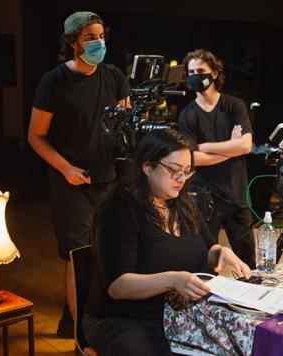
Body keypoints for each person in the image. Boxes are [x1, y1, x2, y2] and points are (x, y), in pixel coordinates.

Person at [83, 129, 251, 356]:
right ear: (147, 167)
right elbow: (117, 286)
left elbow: (206, 248)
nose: (181, 179)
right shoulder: (120, 210)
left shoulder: (182, 203)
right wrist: (172, 280)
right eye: (174, 171)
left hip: (179, 314)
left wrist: (221, 252)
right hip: (125, 319)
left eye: (187, 172)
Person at [28, 11, 130, 338]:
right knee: (78, 254)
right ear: (73, 42)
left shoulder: (113, 76)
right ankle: (81, 335)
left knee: (104, 250)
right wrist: (66, 169)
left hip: (107, 176)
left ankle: (76, 314)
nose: (99, 42)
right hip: (69, 180)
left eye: (101, 35)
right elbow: (36, 136)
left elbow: (124, 124)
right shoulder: (54, 81)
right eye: (90, 37)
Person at [178, 49, 256, 268]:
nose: (195, 76)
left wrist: (204, 146)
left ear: (214, 73)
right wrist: (230, 149)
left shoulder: (234, 106)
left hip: (236, 195)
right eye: (191, 72)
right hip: (204, 198)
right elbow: (192, 158)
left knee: (248, 262)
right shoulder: (187, 114)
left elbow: (245, 145)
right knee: (207, 263)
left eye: (200, 71)